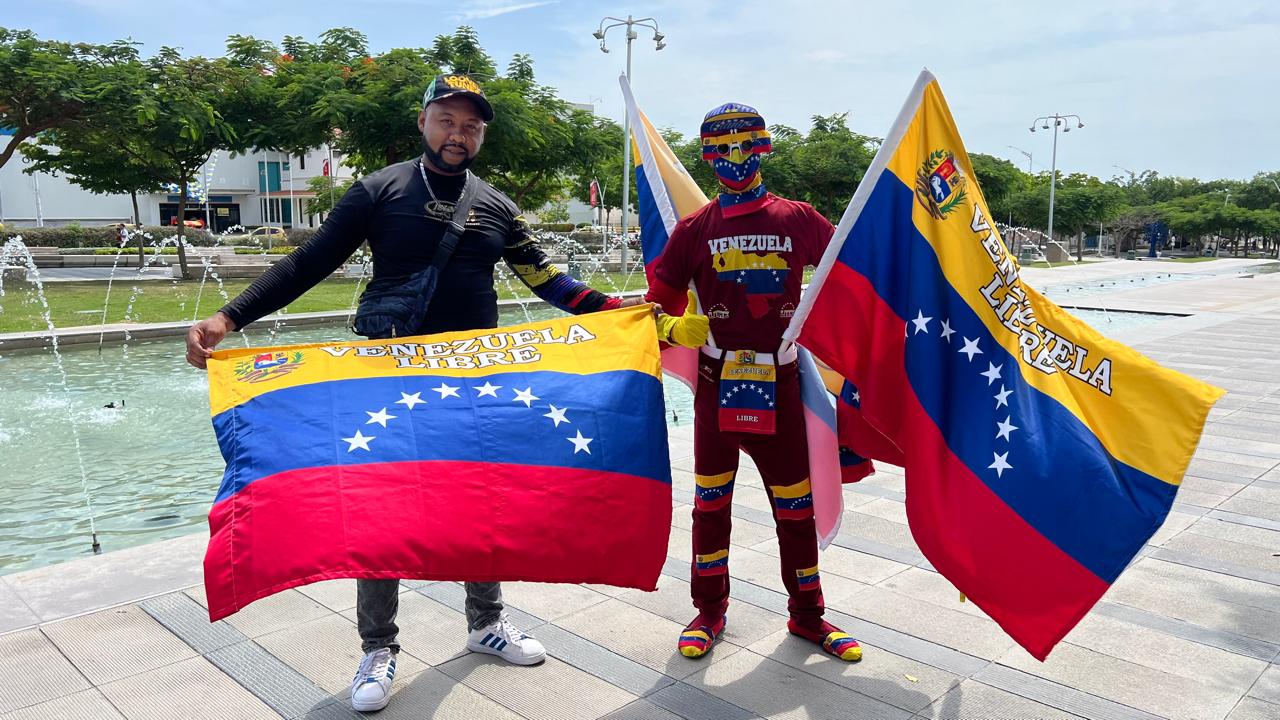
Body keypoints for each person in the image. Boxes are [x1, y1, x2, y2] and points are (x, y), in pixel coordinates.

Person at [185, 73, 705, 713]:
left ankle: (485, 623)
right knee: (382, 504)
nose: (459, 135)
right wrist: (227, 318)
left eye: (472, 126)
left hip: (472, 375)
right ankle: (379, 646)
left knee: (480, 492)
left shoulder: (495, 205)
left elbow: (547, 278)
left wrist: (617, 313)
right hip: (390, 369)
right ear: (425, 122)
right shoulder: (380, 190)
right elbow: (308, 263)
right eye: (448, 121)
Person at [644, 102, 863, 663]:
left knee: (796, 509)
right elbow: (654, 308)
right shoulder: (696, 229)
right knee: (710, 505)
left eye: (746, 147)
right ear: (707, 157)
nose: (735, 159)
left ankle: (809, 616)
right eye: (720, 150)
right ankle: (708, 611)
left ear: (765, 148)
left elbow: (854, 280)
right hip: (718, 384)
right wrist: (674, 324)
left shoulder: (797, 219)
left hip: (783, 385)